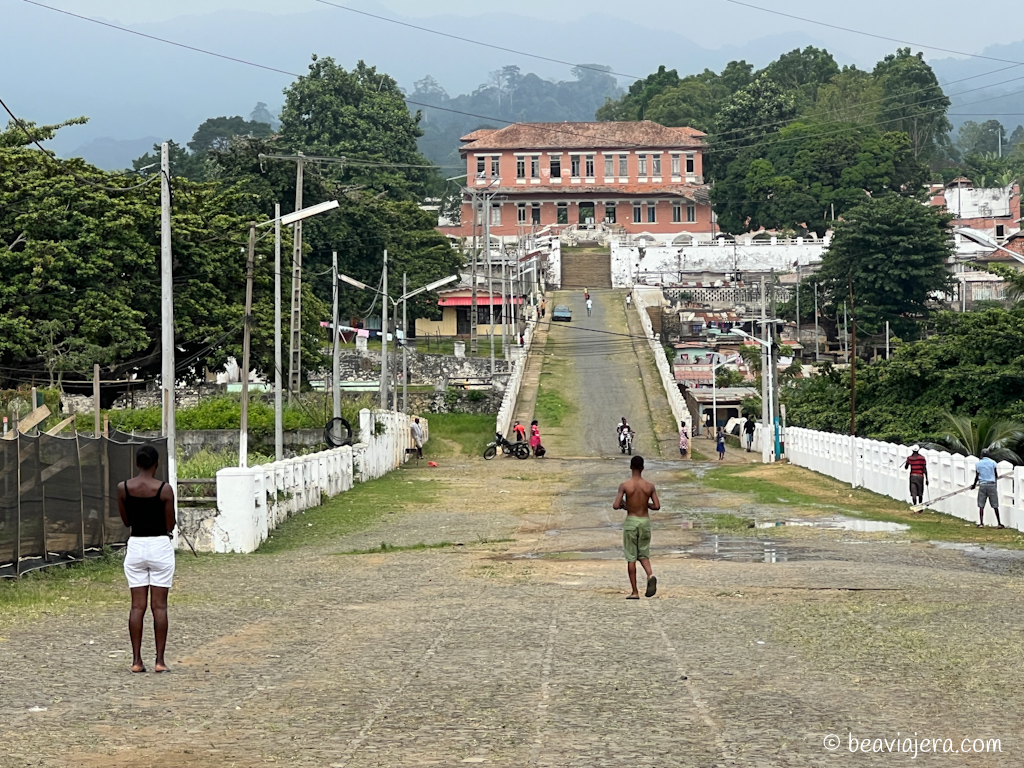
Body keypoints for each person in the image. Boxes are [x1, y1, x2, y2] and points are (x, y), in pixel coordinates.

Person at [117, 445, 175, 674]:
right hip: (160, 545)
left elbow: (126, 521)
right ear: (156, 464)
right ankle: (159, 661)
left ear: (137, 463)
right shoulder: (164, 489)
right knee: (159, 606)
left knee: (137, 606)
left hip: (137, 546)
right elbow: (169, 524)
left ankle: (136, 661)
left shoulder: (123, 488)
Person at [613, 455, 660, 599]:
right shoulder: (649, 486)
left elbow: (615, 505)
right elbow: (657, 506)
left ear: (630, 467)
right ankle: (650, 575)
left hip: (631, 521)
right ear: (643, 468)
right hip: (645, 521)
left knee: (631, 558)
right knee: (644, 555)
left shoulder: (625, 485)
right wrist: (645, 504)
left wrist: (625, 505)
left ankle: (635, 592)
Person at [971, 449, 1003, 528]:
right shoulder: (993, 462)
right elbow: (995, 474)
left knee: (981, 505)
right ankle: (999, 523)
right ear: (989, 455)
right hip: (991, 485)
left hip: (982, 485)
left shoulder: (978, 464)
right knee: (995, 505)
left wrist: (974, 485)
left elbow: (977, 476)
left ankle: (981, 523)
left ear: (981, 455)